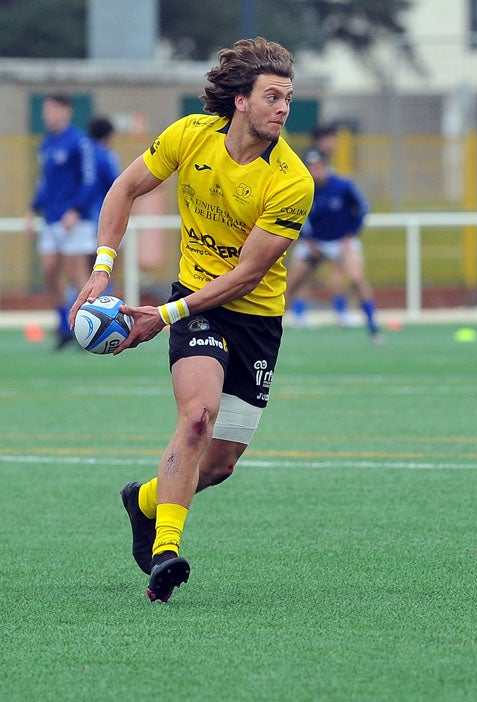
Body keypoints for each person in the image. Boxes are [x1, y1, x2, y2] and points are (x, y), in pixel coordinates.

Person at [68, 37, 314, 603]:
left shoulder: (292, 181)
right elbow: (125, 188)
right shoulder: (190, 135)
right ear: (240, 102)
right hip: (193, 305)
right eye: (272, 96)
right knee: (197, 418)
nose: (282, 108)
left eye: (289, 98)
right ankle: (165, 555)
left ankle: (148, 501)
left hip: (252, 317)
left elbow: (248, 275)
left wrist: (163, 314)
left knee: (221, 464)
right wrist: (103, 268)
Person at [26, 94, 97, 349]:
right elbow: (44, 182)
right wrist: (33, 210)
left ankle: (90, 327)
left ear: (66, 111)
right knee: (49, 270)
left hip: (74, 220)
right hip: (52, 219)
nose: (47, 115)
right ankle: (63, 326)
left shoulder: (80, 142)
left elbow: (90, 179)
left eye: (52, 110)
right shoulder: (47, 144)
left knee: (77, 273)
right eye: (45, 110)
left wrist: (77, 209)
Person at [286, 147, 380, 341]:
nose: (316, 170)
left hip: (341, 241)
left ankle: (372, 326)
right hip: (314, 242)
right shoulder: (302, 187)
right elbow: (292, 214)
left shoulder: (343, 187)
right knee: (292, 282)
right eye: (311, 166)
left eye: (319, 165)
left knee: (356, 278)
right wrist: (307, 239)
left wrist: (350, 235)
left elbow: (362, 209)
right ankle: (284, 321)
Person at [87, 116, 121, 227]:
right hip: (101, 210)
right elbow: (117, 183)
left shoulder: (83, 153)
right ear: (108, 135)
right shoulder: (106, 156)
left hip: (82, 214)